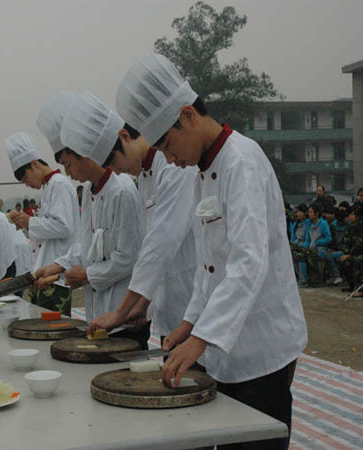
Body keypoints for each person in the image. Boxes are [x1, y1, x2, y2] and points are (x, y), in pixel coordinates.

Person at [116, 53, 307, 449]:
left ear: (187, 115)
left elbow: (247, 264)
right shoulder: (203, 172)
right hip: (229, 346)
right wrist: (188, 324)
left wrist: (201, 339)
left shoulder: (242, 162)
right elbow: (209, 269)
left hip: (263, 347)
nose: (170, 158)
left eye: (168, 145)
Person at [34, 91, 148, 348]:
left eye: (68, 164)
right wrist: (58, 265)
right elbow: (86, 247)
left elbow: (129, 258)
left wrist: (88, 275)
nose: (68, 173)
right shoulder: (88, 191)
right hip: (99, 316)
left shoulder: (122, 190)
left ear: (84, 154)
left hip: (124, 316)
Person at [87, 118, 197, 348]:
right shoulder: (144, 177)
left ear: (125, 137)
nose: (116, 171)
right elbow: (151, 246)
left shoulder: (171, 166)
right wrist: (142, 304)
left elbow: (160, 243)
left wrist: (121, 312)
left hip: (192, 305)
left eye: (114, 161)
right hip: (171, 310)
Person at [5, 131, 79, 315]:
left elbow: (64, 226)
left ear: (34, 164)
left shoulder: (59, 184)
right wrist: (26, 225)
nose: (27, 184)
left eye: (26, 178)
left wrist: (30, 222)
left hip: (55, 278)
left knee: (51, 330)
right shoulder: (48, 187)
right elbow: (47, 229)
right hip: (43, 275)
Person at [306, 203, 332, 286]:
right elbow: (308, 239)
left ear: (316, 213)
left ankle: (318, 278)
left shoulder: (323, 224)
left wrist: (317, 243)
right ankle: (307, 278)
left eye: (311, 212)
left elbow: (329, 238)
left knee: (313, 256)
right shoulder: (309, 224)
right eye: (308, 212)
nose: (309, 214)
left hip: (321, 249)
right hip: (311, 248)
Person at [289, 204, 310, 286]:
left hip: (304, 245)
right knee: (291, 254)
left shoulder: (308, 223)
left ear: (305, 212)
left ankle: (303, 279)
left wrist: (303, 245)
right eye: (297, 212)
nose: (298, 214)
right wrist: (293, 244)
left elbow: (308, 237)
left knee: (300, 256)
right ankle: (297, 277)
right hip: (296, 244)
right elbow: (292, 237)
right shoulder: (296, 224)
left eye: (300, 211)